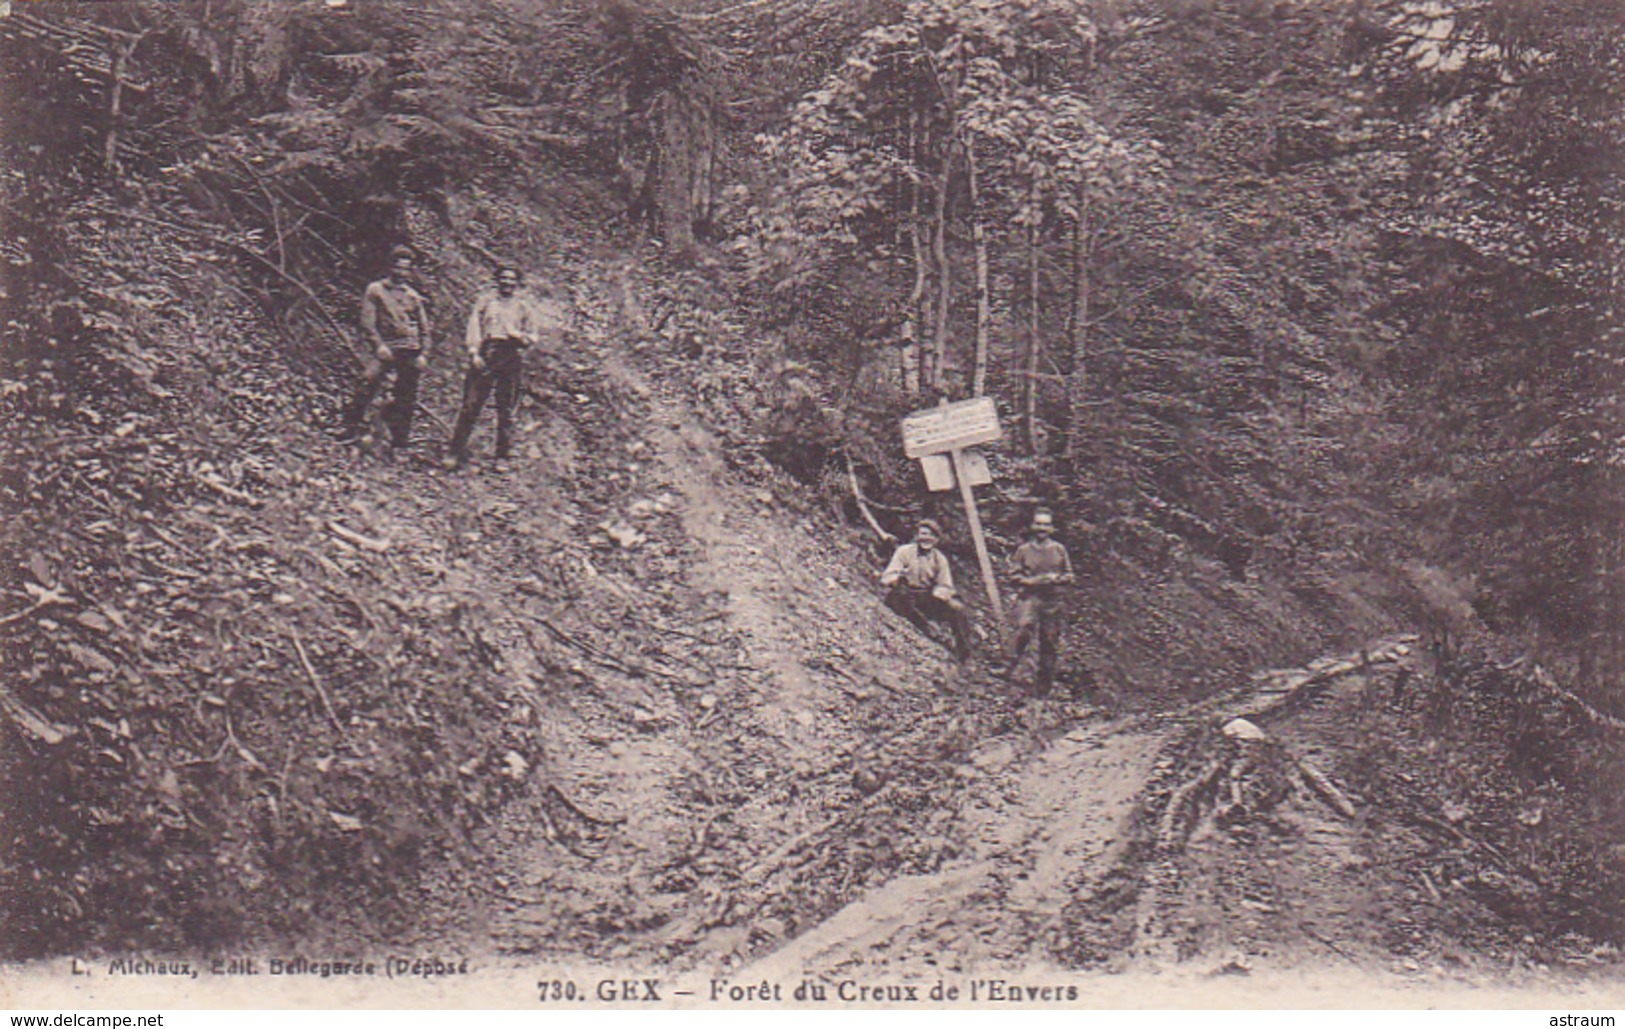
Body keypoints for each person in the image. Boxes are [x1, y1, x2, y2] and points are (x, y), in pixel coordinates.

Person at [443, 265, 556, 470]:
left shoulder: (523, 306)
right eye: (504, 278)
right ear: (497, 280)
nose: (507, 283)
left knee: (506, 408)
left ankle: (502, 456)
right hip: (487, 352)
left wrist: (521, 338)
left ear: (517, 283)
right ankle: (455, 452)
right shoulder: (486, 302)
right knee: (471, 404)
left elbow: (533, 336)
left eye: (512, 279)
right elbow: (474, 327)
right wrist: (474, 353)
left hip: (511, 356)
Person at [336, 245, 432, 447]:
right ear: (390, 267)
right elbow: (368, 322)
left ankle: (399, 439)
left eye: (406, 269)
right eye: (398, 268)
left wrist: (424, 353)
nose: (402, 273)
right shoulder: (376, 290)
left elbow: (425, 329)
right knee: (368, 380)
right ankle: (351, 427)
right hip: (387, 346)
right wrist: (379, 345)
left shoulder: (413, 295)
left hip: (410, 349)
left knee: (406, 394)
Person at [880, 519, 972, 662]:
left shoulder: (939, 559)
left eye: (931, 535)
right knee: (902, 596)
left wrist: (939, 594)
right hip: (903, 593)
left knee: (957, 609)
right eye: (923, 534)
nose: (926, 538)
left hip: (925, 596)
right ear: (917, 536)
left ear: (936, 539)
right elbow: (888, 576)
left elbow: (945, 585)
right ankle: (927, 630)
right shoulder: (904, 551)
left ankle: (963, 652)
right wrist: (897, 578)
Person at [1004, 508, 1075, 692]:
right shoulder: (1024, 550)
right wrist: (1031, 581)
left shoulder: (1059, 550)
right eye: (1038, 524)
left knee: (1049, 640)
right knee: (1024, 628)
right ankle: (1007, 667)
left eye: (1046, 524)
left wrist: (1055, 578)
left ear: (1051, 528)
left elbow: (1069, 575)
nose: (1042, 528)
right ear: (1032, 526)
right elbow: (1013, 575)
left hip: (1052, 600)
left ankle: (1044, 685)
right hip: (1031, 597)